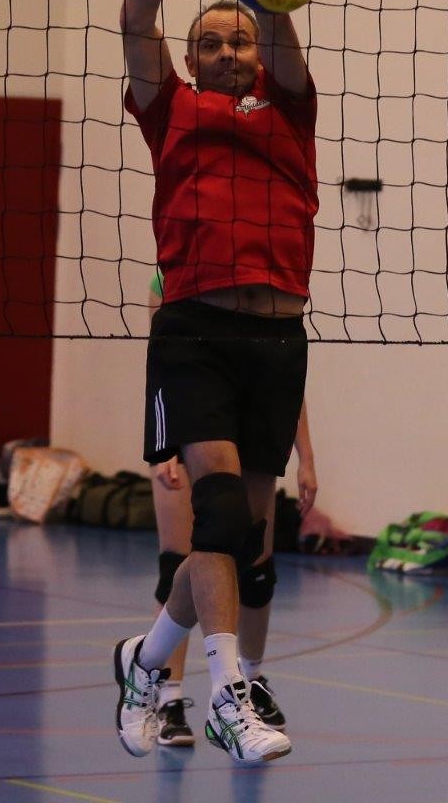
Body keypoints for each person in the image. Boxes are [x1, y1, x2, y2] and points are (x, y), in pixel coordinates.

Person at [114, 0, 319, 765]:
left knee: (245, 542)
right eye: (211, 43)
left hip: (277, 338)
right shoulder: (172, 109)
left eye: (240, 40)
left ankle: (145, 659)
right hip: (195, 330)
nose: (229, 50)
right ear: (192, 60)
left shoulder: (291, 110)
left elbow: (278, 12)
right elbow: (136, 23)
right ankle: (230, 696)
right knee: (222, 511)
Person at [148, 274, 318, 748]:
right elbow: (163, 357)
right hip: (192, 422)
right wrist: (165, 446)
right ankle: (168, 695)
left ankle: (250, 677)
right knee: (178, 561)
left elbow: (287, 382)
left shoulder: (273, 281)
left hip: (249, 427)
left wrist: (306, 456)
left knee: (251, 561)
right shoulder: (175, 274)